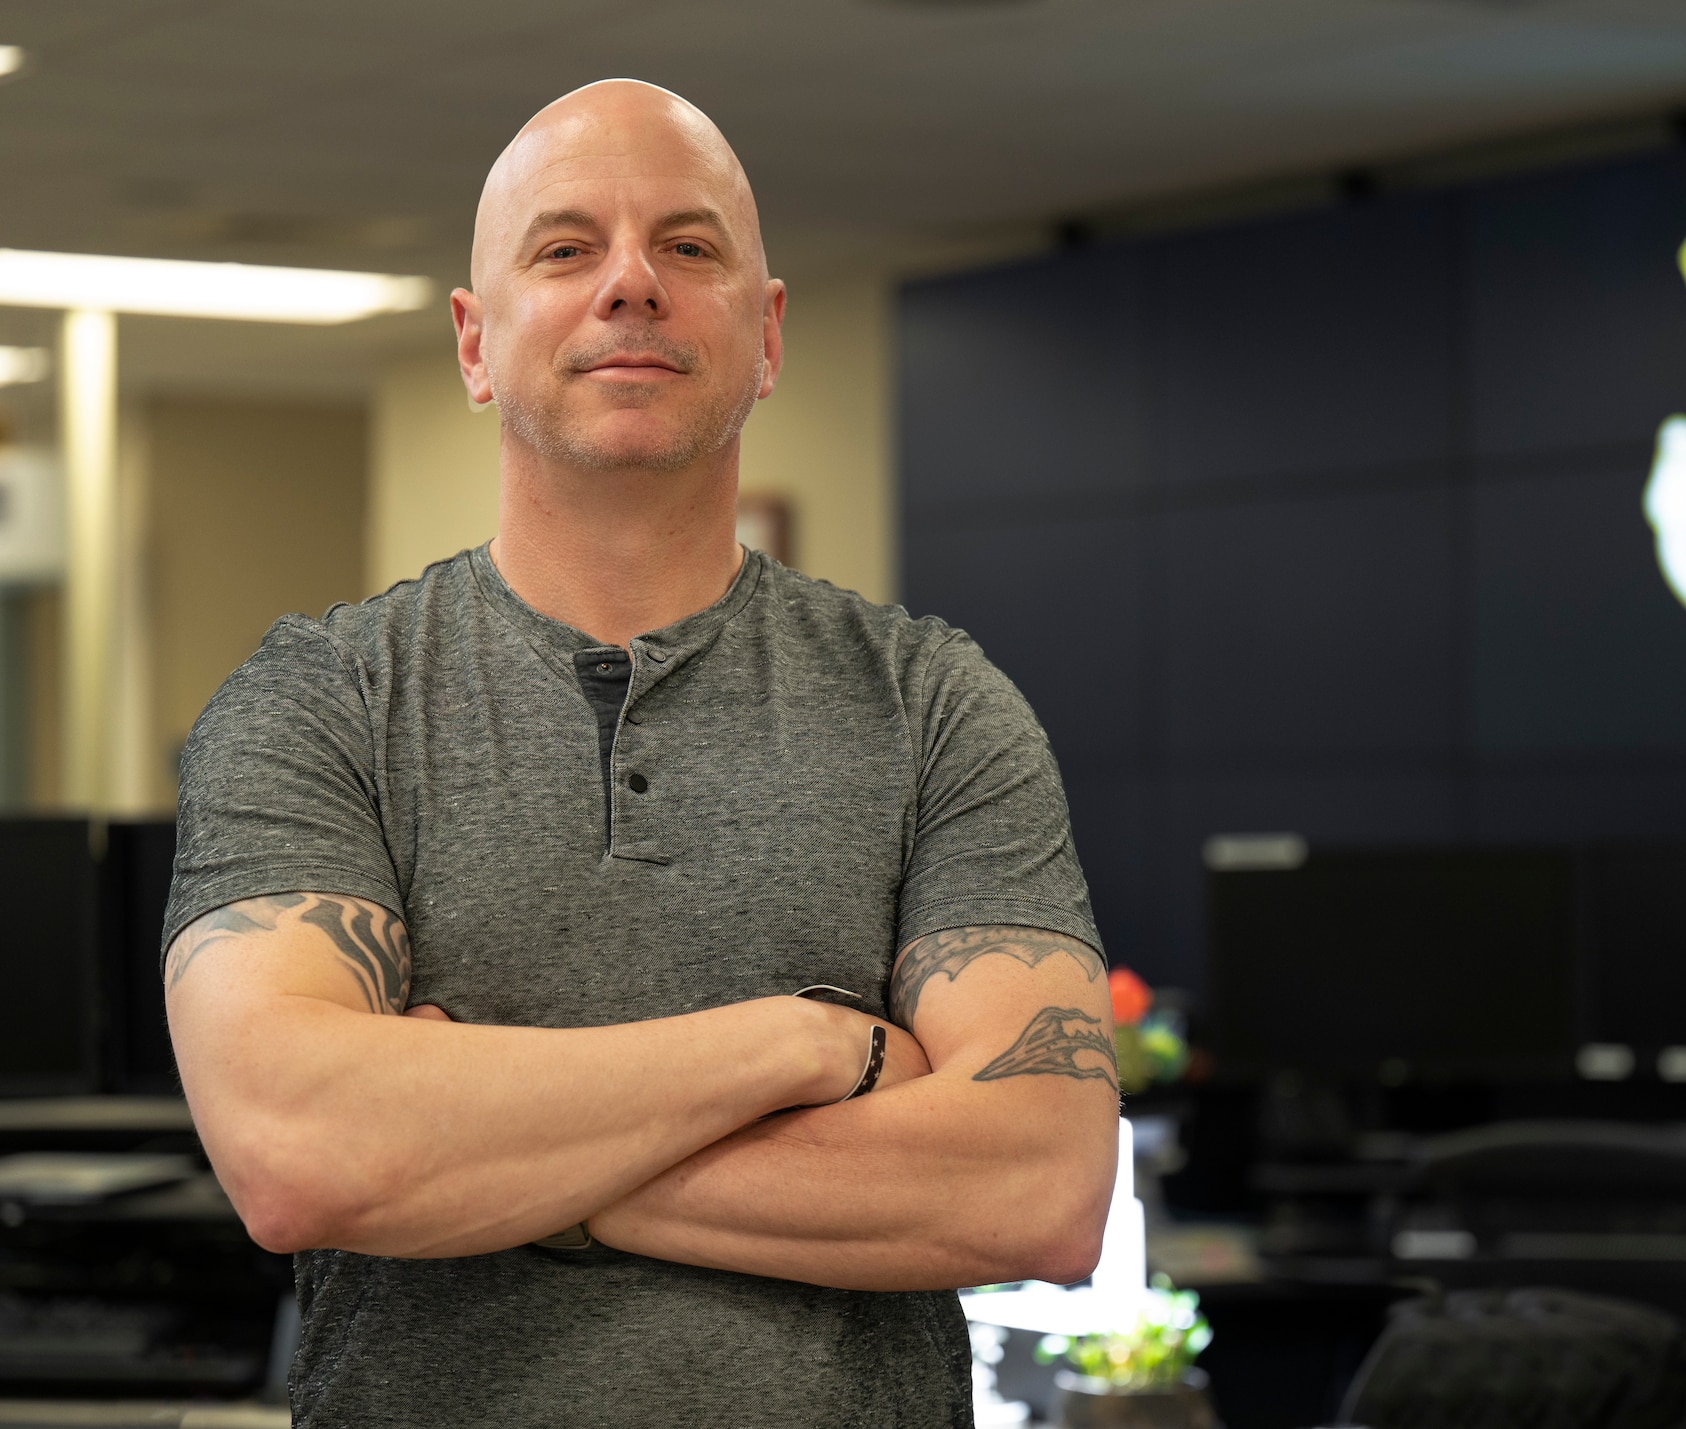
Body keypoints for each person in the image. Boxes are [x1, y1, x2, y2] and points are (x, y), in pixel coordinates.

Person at [162, 78, 1119, 1428]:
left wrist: (481, 1150)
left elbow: (1042, 1185)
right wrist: (806, 1045)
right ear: (474, 339)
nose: (631, 285)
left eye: (689, 245)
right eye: (564, 249)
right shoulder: (321, 699)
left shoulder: (934, 702)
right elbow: (302, 1154)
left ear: (767, 329)